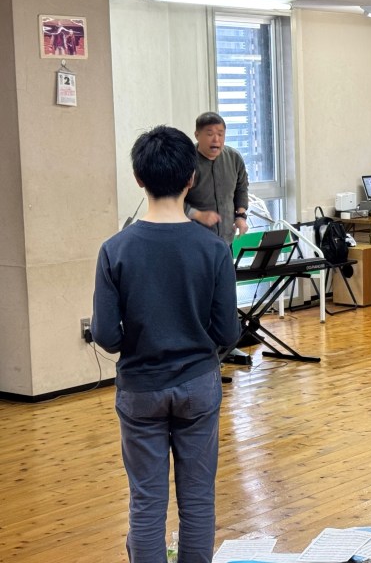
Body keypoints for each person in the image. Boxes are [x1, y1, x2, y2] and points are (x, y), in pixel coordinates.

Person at [92, 125, 240, 563]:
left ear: (138, 178)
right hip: (198, 385)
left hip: (140, 389)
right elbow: (228, 333)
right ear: (191, 178)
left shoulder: (114, 249)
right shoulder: (214, 249)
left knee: (146, 502)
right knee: (197, 499)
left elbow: (106, 336)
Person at [185, 112, 249, 245]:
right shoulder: (186, 161)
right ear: (197, 135)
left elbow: (241, 188)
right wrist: (198, 215)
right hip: (196, 241)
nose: (216, 140)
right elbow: (173, 200)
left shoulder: (234, 158)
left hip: (226, 241)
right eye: (210, 134)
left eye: (220, 134)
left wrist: (240, 216)